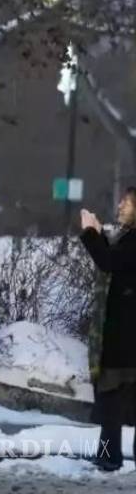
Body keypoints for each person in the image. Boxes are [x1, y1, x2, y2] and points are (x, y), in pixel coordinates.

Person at [79, 188, 136, 472]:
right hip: (121, 334)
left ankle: (109, 457)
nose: (121, 204)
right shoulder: (127, 237)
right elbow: (113, 259)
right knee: (112, 401)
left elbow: (111, 262)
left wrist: (91, 234)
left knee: (112, 399)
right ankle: (107, 455)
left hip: (124, 337)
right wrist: (99, 234)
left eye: (128, 201)